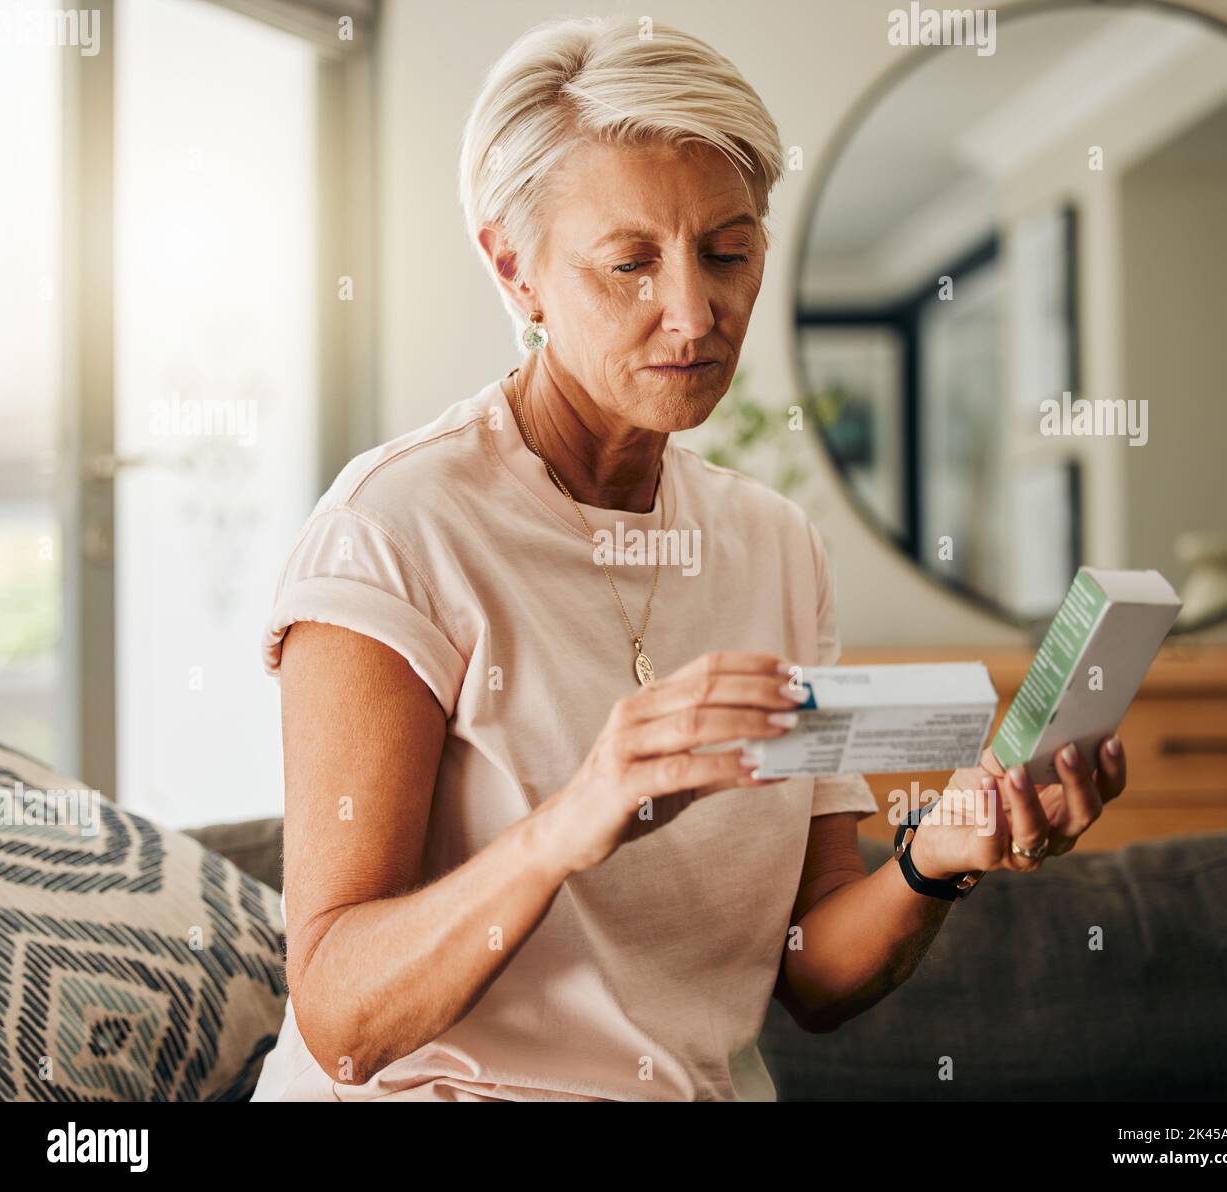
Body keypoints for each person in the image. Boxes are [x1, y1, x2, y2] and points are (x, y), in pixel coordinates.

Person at [249, 16, 1126, 1102]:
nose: (695, 312)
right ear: (513, 268)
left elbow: (810, 972)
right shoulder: (395, 529)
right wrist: (574, 821)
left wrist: (935, 856)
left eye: (728, 251)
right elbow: (339, 1021)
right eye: (629, 263)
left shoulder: (773, 548)